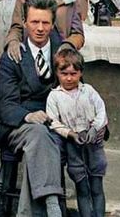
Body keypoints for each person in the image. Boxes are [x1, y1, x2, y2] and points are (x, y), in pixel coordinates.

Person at [0, 0, 66, 217]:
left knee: (41, 142)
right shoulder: (13, 56)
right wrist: (28, 116)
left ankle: (26, 213)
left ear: (53, 24)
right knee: (37, 133)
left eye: (45, 22)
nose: (39, 28)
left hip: (52, 124)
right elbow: (5, 106)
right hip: (17, 125)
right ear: (25, 23)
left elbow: (74, 89)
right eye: (34, 22)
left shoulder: (62, 53)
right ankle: (53, 203)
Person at [45, 49, 107, 217]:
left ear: (81, 72)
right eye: (64, 73)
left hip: (93, 145)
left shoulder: (88, 91)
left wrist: (95, 128)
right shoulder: (54, 96)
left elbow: (101, 111)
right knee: (82, 188)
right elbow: (53, 122)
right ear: (57, 73)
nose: (69, 78)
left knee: (96, 186)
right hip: (73, 147)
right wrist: (70, 134)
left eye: (74, 73)